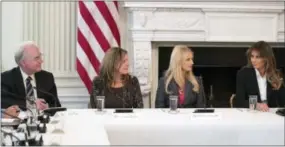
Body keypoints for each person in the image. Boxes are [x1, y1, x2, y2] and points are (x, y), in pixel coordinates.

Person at [1, 41, 61, 117]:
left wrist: (48, 107)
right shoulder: (6, 78)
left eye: (40, 56)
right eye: (37, 58)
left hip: (43, 123)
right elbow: (4, 100)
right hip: (17, 124)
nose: (41, 61)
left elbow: (56, 105)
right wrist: (31, 104)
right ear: (23, 63)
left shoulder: (47, 77)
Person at [235, 40, 285, 111]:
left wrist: (279, 86)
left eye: (257, 57)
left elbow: (282, 102)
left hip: (271, 114)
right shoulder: (243, 74)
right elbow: (239, 102)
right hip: (252, 114)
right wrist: (256, 105)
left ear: (266, 58)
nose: (253, 60)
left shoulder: (276, 74)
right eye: (252, 56)